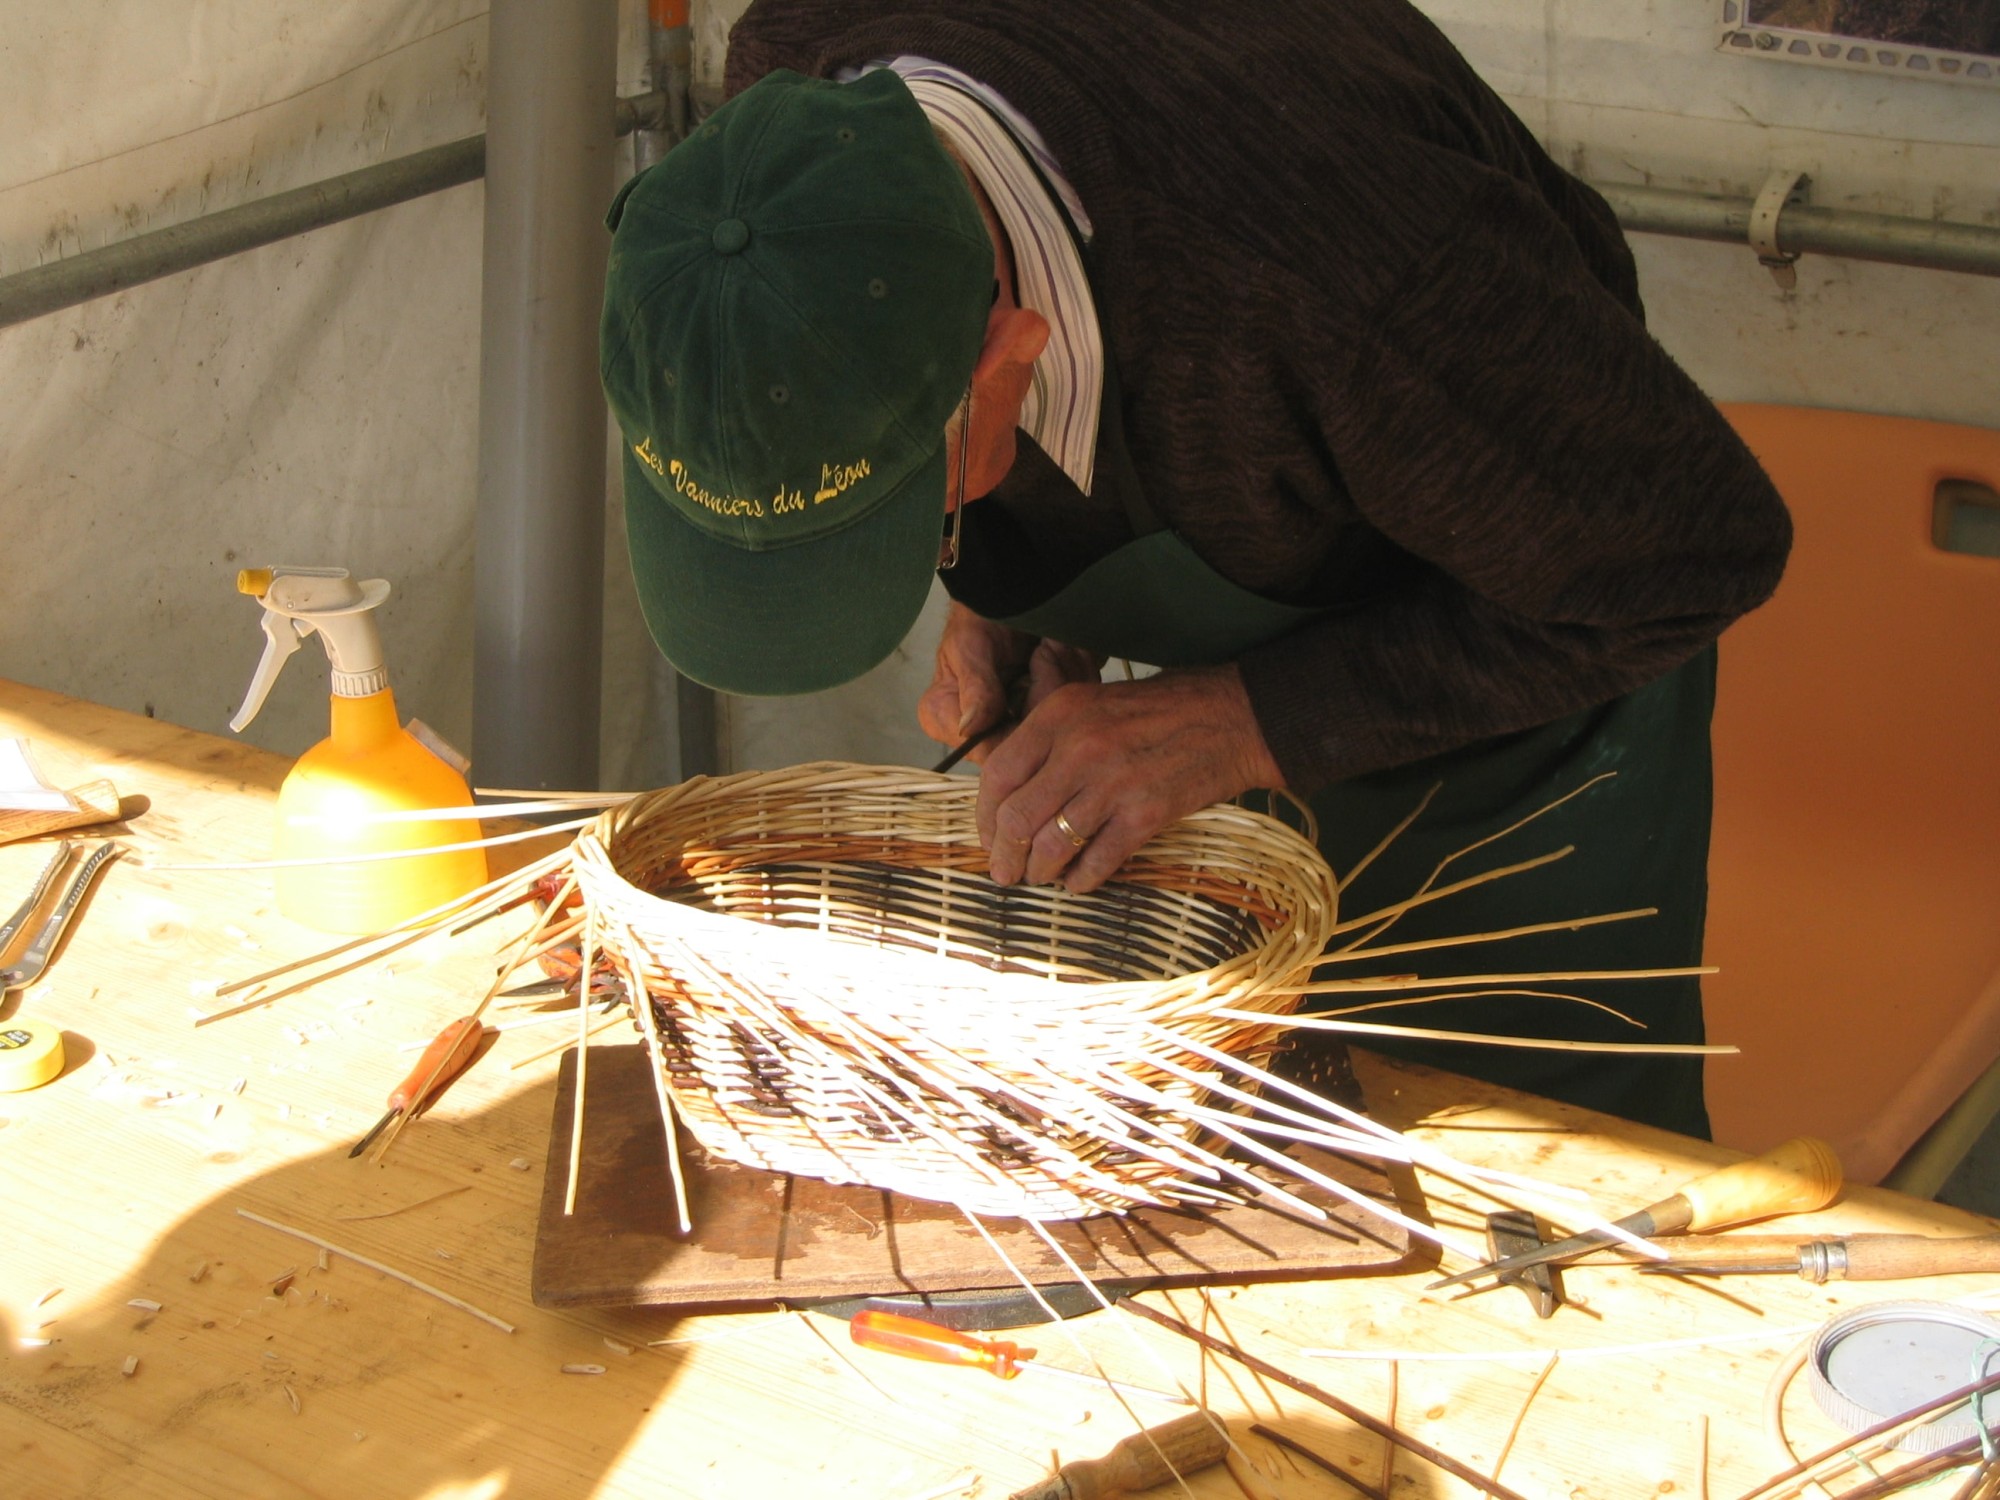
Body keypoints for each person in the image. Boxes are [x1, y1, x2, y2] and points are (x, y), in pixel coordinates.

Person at [596, 0, 1793, 1139]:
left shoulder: (1349, 275)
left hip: (1521, 707)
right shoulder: (779, 132)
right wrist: (1001, 588)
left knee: (1487, 1178)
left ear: (1012, 349)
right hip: (1282, 519)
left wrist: (1241, 718)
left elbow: (1690, 558)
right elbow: (872, 354)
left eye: (913, 500)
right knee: (1225, 1121)